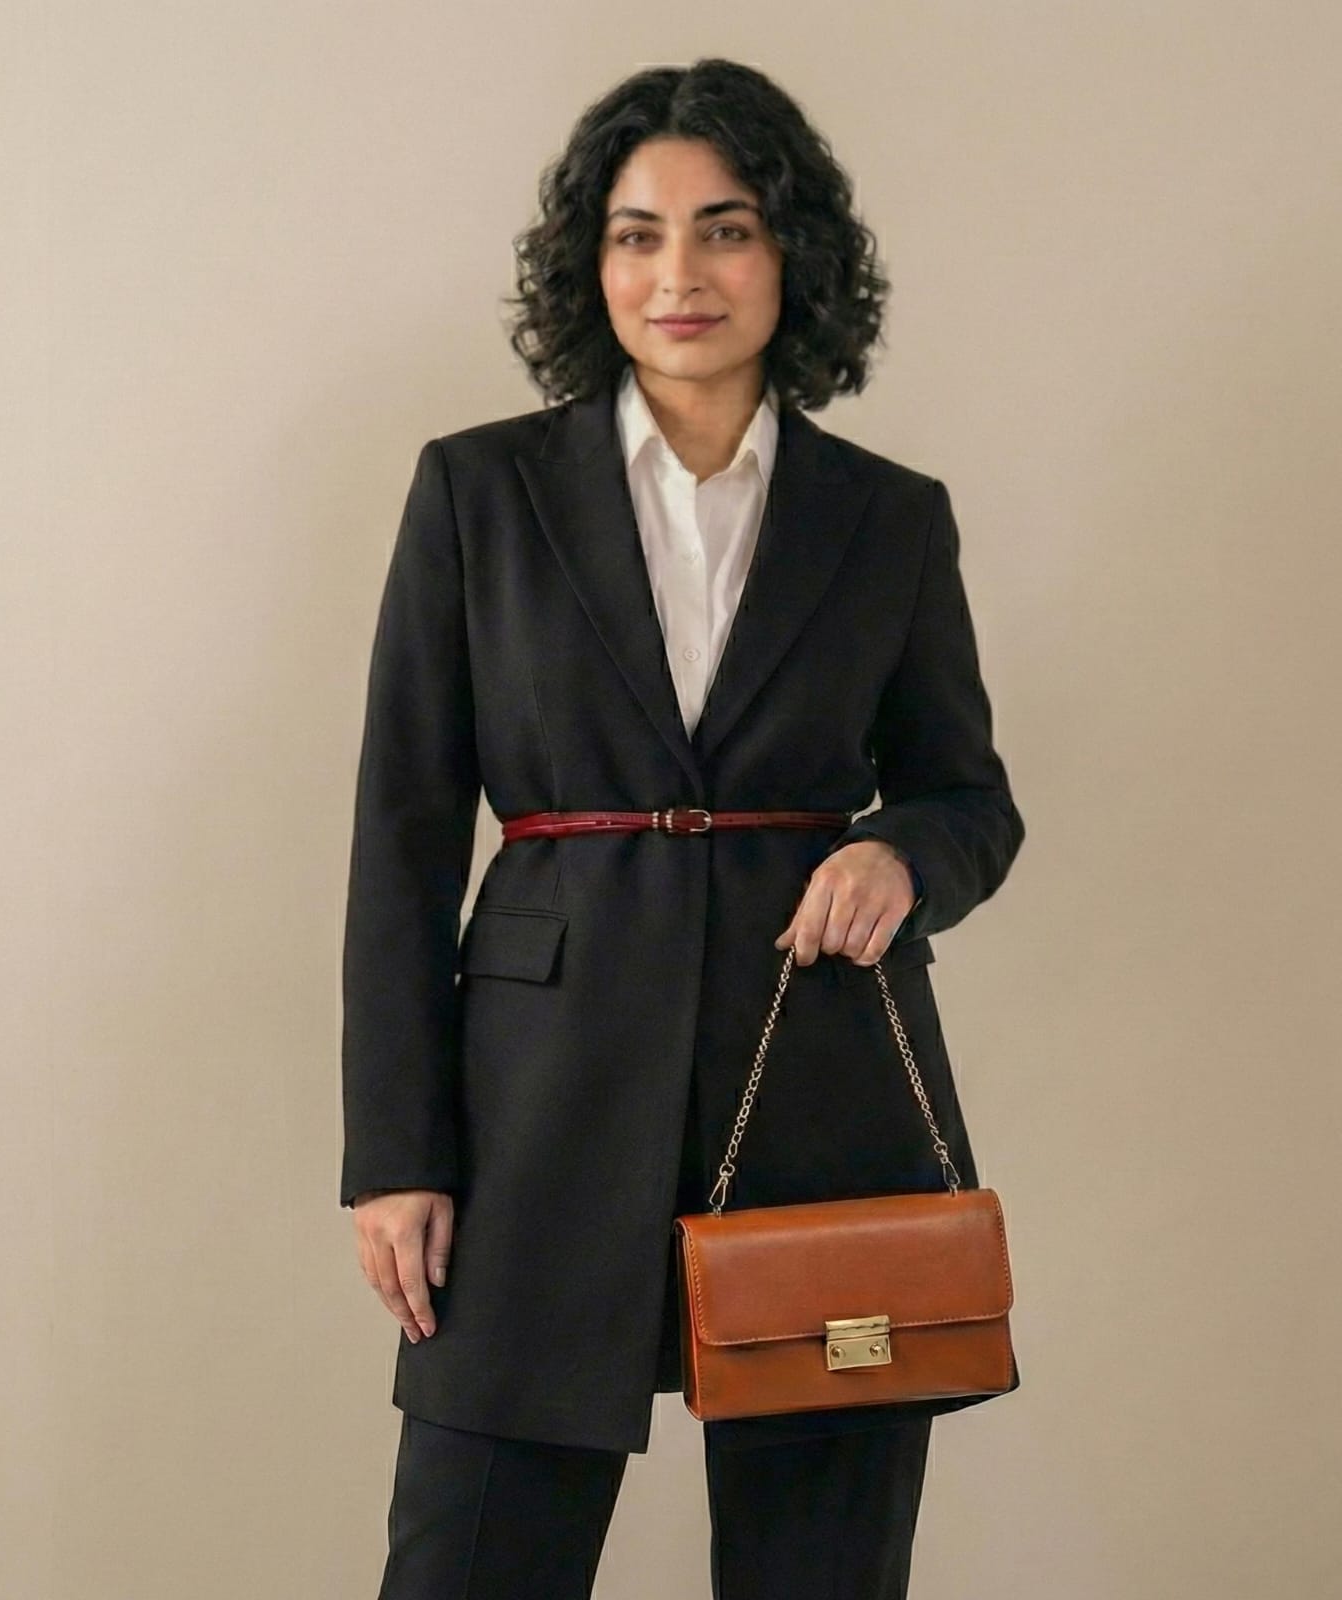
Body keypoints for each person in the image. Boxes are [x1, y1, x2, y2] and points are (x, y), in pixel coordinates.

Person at [341, 56, 1025, 1600]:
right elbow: (402, 834)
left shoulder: (887, 516)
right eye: (637, 235)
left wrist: (903, 855)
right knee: (468, 1562)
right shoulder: (479, 494)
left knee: (820, 1570)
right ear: (591, 266)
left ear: (792, 254)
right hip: (537, 1100)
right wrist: (393, 1153)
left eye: (726, 229)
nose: (680, 275)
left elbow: (968, 795)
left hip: (819, 1085)